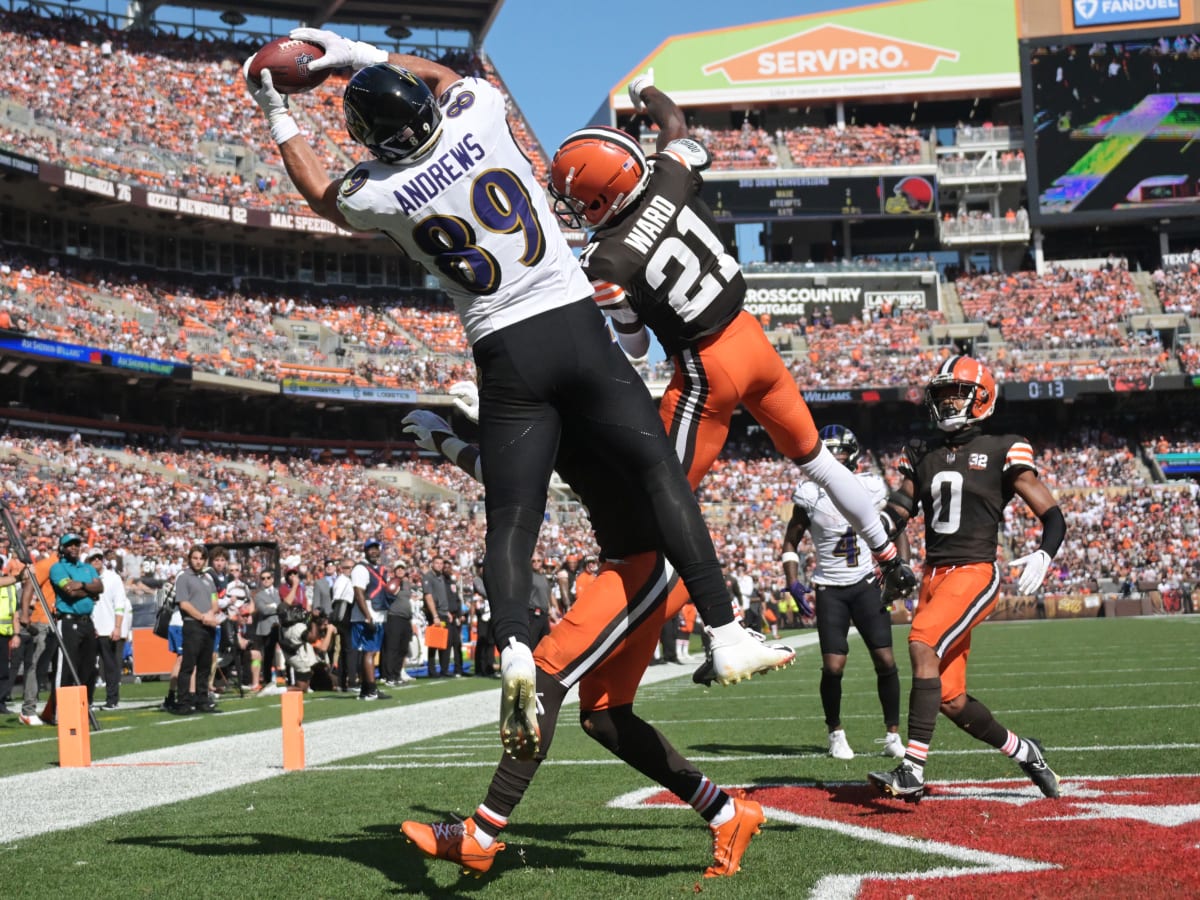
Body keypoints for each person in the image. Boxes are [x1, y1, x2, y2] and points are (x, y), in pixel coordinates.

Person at [244, 29, 794, 758]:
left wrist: (276, 112)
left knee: (511, 518)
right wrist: (354, 53)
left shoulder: (376, 191)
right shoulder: (478, 111)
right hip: (573, 329)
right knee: (660, 474)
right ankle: (725, 632)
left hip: (505, 355)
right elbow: (441, 75)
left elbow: (320, 191)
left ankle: (510, 649)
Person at [548, 75, 917, 683]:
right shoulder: (667, 176)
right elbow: (675, 127)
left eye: (575, 199)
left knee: (659, 508)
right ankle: (887, 553)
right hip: (753, 339)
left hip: (705, 369)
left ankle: (709, 631)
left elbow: (637, 347)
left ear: (597, 198)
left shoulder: (606, 261)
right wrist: (648, 91)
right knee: (821, 463)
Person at [400, 409, 766, 878]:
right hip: (639, 562)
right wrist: (452, 441)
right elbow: (512, 475)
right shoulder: (581, 400)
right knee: (606, 718)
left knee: (545, 673)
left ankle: (482, 834)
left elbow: (516, 472)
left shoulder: (585, 397)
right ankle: (727, 814)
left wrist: (457, 435)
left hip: (646, 564)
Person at [867, 356, 1065, 802]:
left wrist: (1044, 553)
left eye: (957, 392)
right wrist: (874, 531)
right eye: (942, 394)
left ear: (982, 398)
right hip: (933, 576)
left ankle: (912, 769)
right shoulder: (923, 451)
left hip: (975, 571)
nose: (948, 401)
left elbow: (1052, 514)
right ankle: (1025, 751)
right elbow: (899, 510)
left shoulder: (1004, 447)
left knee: (921, 641)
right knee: (950, 698)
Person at [781, 425, 904, 761]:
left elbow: (896, 527)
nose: (836, 458)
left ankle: (893, 734)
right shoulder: (809, 493)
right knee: (833, 666)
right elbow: (791, 541)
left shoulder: (871, 487)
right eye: (830, 451)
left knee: (886, 660)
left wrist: (898, 566)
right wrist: (793, 581)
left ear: (854, 453)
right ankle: (835, 732)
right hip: (829, 587)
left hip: (866, 584)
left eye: (842, 451)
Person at [46, 533, 102, 716]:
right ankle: (60, 711)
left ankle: (83, 707)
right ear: (62, 548)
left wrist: (82, 586)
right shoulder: (57, 568)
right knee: (66, 668)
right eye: (69, 544)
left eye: (76, 544)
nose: (74, 547)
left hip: (87, 621)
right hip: (68, 621)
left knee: (88, 667)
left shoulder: (87, 567)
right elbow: (69, 591)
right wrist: (90, 590)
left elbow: (100, 587)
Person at [174, 544, 220, 715]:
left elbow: (215, 601)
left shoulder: (209, 578)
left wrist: (210, 613)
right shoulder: (184, 577)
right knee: (188, 665)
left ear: (205, 560)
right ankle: (184, 701)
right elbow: (184, 604)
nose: (198, 561)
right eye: (195, 558)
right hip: (193, 625)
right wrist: (202, 616)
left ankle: (202, 699)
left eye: (201, 558)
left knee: (205, 665)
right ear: (189, 559)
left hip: (208, 625)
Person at [87, 547, 130, 711]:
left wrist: (117, 627)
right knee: (88, 669)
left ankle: (112, 700)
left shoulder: (113, 578)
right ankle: (88, 700)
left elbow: (120, 604)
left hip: (108, 628)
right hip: (90, 629)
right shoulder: (85, 578)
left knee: (111, 667)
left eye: (99, 558)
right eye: (93, 558)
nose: (97, 561)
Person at [350, 539, 391, 701]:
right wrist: (367, 616)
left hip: (378, 614)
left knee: (371, 652)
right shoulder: (360, 569)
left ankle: (366, 689)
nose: (374, 551)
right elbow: (359, 593)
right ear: (365, 550)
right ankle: (371, 689)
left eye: (376, 548)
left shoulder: (378, 569)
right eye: (370, 549)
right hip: (367, 615)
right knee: (369, 651)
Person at [381, 560, 414, 686]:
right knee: (392, 648)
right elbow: (386, 598)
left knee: (402, 649)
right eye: (398, 569)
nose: (400, 570)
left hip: (406, 619)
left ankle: (397, 674)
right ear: (394, 571)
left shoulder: (406, 584)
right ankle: (389, 676)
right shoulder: (391, 583)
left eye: (402, 568)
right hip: (394, 617)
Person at [252, 569, 283, 694]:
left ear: (272, 579)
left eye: (268, 577)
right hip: (266, 629)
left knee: (283, 655)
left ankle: (285, 679)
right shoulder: (258, 595)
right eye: (263, 578)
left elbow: (282, 606)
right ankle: (267, 681)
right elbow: (263, 610)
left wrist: (272, 606)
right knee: (268, 656)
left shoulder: (278, 592)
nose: (266, 580)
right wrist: (276, 607)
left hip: (279, 627)